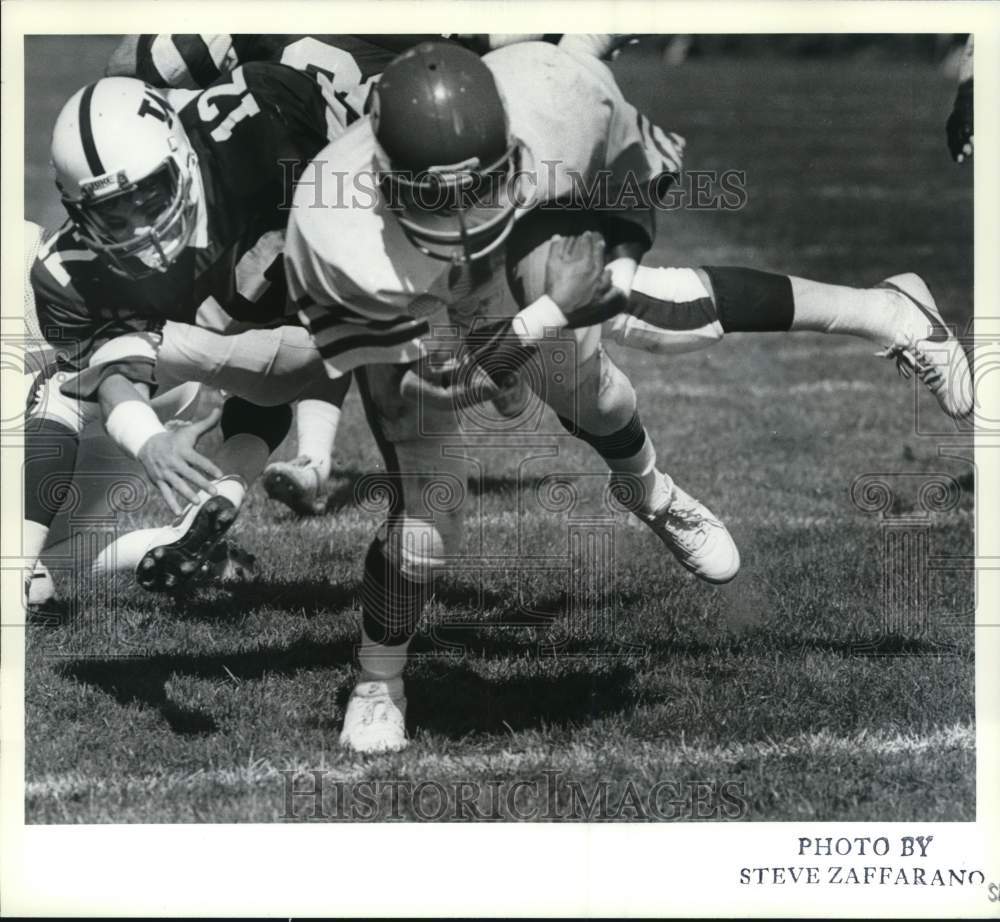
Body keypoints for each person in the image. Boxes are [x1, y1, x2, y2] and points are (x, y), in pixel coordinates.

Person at [26, 62, 346, 597]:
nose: (142, 231)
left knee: (314, 330)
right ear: (79, 213)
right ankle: (208, 503)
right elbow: (103, 371)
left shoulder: (259, 135)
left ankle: (20, 561)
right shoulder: (65, 272)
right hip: (143, 373)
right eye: (113, 216)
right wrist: (150, 441)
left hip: (161, 363)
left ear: (183, 158)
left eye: (149, 199)